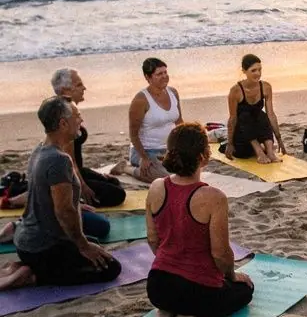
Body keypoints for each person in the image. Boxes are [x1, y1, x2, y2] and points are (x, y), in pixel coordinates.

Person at [145, 122, 254, 317]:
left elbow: (152, 239)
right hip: (197, 293)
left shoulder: (156, 187)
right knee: (245, 291)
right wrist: (233, 276)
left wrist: (174, 263)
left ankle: (166, 310)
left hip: (157, 286)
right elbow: (220, 254)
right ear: (204, 156)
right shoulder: (214, 197)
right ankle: (191, 316)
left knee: (176, 293)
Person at [0, 98, 121, 292]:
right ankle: (30, 276)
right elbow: (64, 212)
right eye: (77, 116)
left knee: (95, 245)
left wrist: (76, 205)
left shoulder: (40, 149)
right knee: (111, 268)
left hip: (26, 241)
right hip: (42, 247)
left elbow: (42, 194)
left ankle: (22, 266)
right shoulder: (58, 160)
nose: (81, 120)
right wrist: (83, 246)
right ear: (63, 123)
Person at [51, 67, 127, 208]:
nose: (84, 88)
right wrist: (82, 186)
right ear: (65, 90)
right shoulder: (64, 115)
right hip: (67, 175)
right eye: (79, 85)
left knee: (114, 182)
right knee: (118, 195)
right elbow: (69, 161)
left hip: (78, 170)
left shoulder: (70, 108)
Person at [128, 58, 182, 181]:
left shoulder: (173, 92)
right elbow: (133, 135)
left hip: (169, 150)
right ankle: (126, 168)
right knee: (166, 178)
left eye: (165, 72)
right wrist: (144, 158)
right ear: (148, 77)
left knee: (187, 171)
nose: (164, 76)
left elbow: (179, 121)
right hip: (146, 151)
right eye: (159, 74)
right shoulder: (140, 100)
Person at [224, 54, 285, 163]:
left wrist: (279, 139)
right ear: (244, 71)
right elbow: (232, 119)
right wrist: (230, 144)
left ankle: (270, 152)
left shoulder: (266, 87)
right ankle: (260, 153)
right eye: (253, 70)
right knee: (244, 115)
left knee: (261, 114)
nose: (258, 73)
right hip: (242, 138)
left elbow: (271, 115)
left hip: (257, 133)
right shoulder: (236, 91)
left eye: (260, 70)